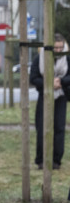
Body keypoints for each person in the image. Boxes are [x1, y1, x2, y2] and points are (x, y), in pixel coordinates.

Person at [30, 33, 68, 169]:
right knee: (42, 127)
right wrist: (48, 83)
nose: (58, 51)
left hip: (61, 96)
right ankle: (41, 159)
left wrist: (61, 81)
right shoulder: (40, 58)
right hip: (44, 96)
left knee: (59, 128)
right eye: (56, 48)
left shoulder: (67, 58)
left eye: (61, 48)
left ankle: (56, 160)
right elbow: (33, 78)